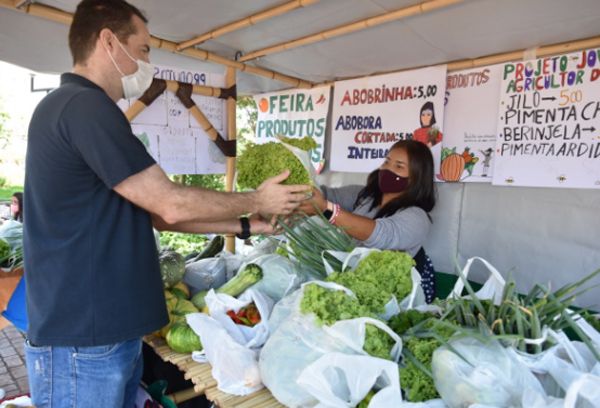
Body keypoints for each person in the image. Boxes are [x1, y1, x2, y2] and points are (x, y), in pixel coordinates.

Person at [23, 1, 308, 407]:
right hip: (82, 341)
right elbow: (170, 202)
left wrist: (248, 226)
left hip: (101, 336)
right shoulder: (84, 107)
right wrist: (257, 198)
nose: (147, 62)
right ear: (108, 41)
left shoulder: (83, 109)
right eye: (142, 50)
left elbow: (158, 216)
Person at [297, 139, 437, 302]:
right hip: (350, 284)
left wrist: (326, 209)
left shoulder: (417, 217)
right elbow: (326, 196)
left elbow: (380, 235)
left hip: (386, 298)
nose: (387, 169)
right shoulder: (365, 197)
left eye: (399, 166)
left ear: (416, 177)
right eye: (386, 162)